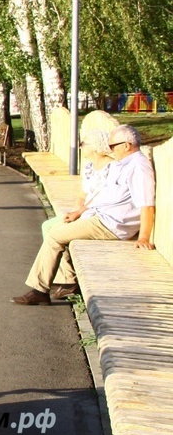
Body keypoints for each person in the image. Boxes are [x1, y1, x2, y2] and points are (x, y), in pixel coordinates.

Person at [13, 125, 156, 305]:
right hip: (99, 216)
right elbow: (100, 195)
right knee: (52, 228)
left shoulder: (138, 167)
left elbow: (147, 205)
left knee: (55, 236)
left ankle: (40, 290)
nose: (110, 149)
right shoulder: (123, 164)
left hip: (110, 224)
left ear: (127, 145)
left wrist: (143, 237)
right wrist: (79, 211)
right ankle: (66, 282)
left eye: (113, 146)